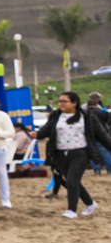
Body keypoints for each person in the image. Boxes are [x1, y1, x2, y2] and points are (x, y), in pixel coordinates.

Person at [35, 90, 111, 218]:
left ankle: (71, 210)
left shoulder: (87, 117)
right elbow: (44, 131)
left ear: (74, 103)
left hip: (80, 153)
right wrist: (35, 134)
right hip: (60, 154)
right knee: (73, 181)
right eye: (59, 101)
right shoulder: (55, 116)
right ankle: (90, 204)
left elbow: (102, 135)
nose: (60, 104)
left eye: (64, 101)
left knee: (71, 180)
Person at [87, 93, 111, 173]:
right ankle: (110, 169)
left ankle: (97, 170)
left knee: (92, 153)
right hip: (101, 135)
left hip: (89, 135)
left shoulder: (84, 113)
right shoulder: (102, 112)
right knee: (106, 153)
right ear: (96, 104)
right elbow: (108, 122)